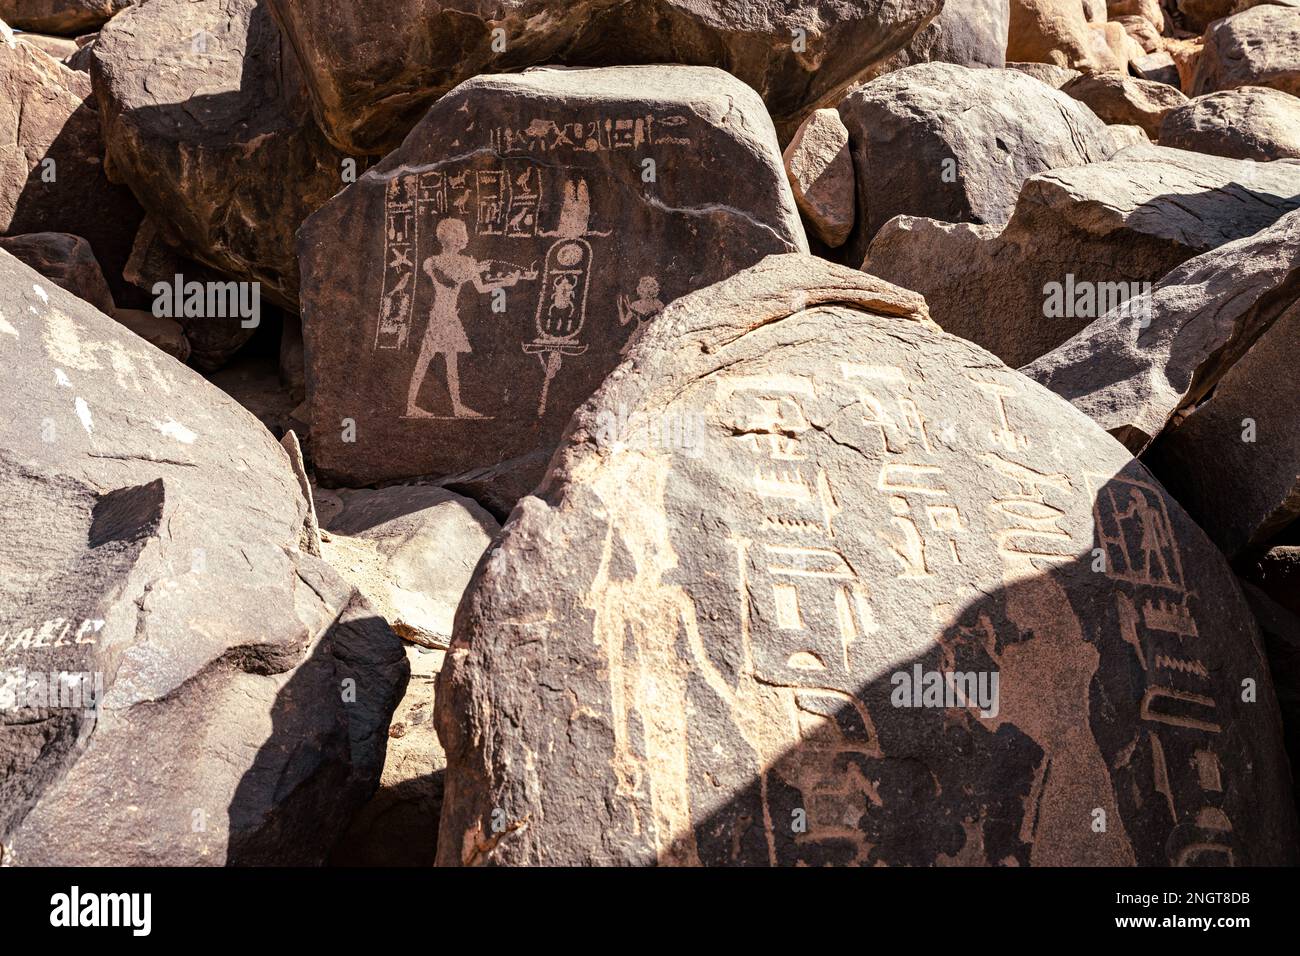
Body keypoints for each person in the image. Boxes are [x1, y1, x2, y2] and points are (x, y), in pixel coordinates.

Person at [406, 218, 528, 419]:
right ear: (457, 238)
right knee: (437, 360)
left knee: (433, 359)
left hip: (442, 315)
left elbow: (467, 283)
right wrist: (491, 276)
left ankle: (432, 405)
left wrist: (490, 275)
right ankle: (448, 406)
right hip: (445, 316)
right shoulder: (454, 263)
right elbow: (461, 283)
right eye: (462, 232)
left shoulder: (441, 262)